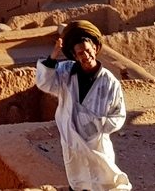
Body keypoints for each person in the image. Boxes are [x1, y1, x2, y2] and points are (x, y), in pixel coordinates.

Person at [35, 20, 131, 191]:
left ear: (95, 48)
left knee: (104, 182)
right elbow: (45, 83)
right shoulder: (66, 72)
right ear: (74, 56)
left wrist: (95, 124)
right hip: (73, 144)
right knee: (78, 183)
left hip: (96, 144)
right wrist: (54, 55)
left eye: (88, 50)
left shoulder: (109, 82)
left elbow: (119, 115)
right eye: (80, 53)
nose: (85, 56)